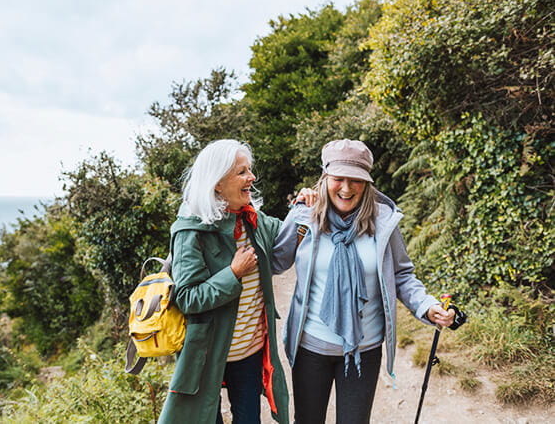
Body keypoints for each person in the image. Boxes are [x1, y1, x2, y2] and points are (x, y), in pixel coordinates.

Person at [274, 139, 455, 424]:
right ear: (325, 178)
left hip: (365, 348)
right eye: (338, 179)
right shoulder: (304, 216)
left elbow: (402, 275)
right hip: (311, 347)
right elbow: (274, 262)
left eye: (356, 179)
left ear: (367, 183)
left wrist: (426, 306)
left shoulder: (383, 222)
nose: (346, 188)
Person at [159, 139, 301, 424]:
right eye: (241, 172)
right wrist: (233, 273)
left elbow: (287, 230)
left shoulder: (251, 219)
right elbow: (187, 298)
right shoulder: (191, 231)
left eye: (249, 170)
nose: (252, 178)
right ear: (217, 184)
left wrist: (303, 205)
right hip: (208, 355)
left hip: (248, 352)